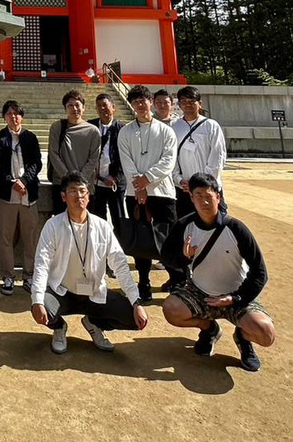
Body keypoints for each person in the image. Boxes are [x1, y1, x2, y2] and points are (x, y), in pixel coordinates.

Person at [161, 172, 275, 372]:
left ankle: (243, 338)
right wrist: (184, 257)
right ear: (192, 199)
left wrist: (236, 298)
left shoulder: (236, 228)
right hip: (201, 293)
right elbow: (167, 257)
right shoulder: (184, 226)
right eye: (198, 196)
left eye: (209, 196)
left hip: (236, 294)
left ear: (218, 198)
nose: (204, 202)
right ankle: (209, 329)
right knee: (171, 310)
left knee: (266, 334)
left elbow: (260, 273)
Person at [30, 172, 149, 354]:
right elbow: (41, 264)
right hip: (63, 292)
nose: (79, 196)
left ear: (89, 195)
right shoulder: (53, 226)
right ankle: (59, 327)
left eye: (83, 191)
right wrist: (37, 299)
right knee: (41, 306)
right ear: (63, 196)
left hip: (94, 293)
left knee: (135, 318)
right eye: (73, 191)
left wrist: (136, 302)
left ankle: (94, 323)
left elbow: (120, 265)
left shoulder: (102, 227)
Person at [117, 84, 178, 301]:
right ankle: (144, 282)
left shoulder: (166, 131)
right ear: (132, 105)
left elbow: (168, 161)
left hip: (163, 192)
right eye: (135, 102)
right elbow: (126, 162)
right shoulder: (125, 132)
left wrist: (147, 180)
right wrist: (139, 187)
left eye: (143, 101)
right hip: (136, 194)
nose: (140, 105)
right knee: (141, 239)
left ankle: (178, 280)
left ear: (150, 102)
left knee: (169, 239)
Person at [167, 86, 227, 290]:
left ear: (200, 104)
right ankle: (183, 278)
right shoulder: (174, 127)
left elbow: (217, 157)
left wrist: (203, 184)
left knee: (215, 230)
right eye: (183, 102)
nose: (187, 105)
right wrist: (178, 179)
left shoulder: (211, 126)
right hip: (184, 190)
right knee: (186, 233)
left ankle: (217, 274)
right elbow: (171, 157)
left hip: (209, 191)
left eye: (192, 101)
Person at [0, 99, 42, 295]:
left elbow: (36, 163)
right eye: (9, 114)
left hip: (28, 195)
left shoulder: (30, 137)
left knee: (30, 238)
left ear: (22, 116)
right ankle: (8, 276)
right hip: (7, 195)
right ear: (4, 117)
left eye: (17, 113)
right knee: (5, 237)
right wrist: (12, 181)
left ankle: (29, 276)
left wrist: (25, 181)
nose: (14, 117)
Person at [47, 89, 102, 215]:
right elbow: (54, 154)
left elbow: (93, 159)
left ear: (84, 108)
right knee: (61, 224)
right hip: (61, 185)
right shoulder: (57, 128)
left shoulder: (93, 131)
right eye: (70, 105)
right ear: (65, 109)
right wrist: (68, 179)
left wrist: (79, 181)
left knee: (84, 224)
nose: (74, 109)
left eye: (77, 105)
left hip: (84, 186)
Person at [88, 92, 125, 228]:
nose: (103, 109)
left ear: (113, 107)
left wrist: (115, 176)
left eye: (105, 105)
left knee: (119, 217)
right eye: (99, 106)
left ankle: (121, 244)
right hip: (96, 182)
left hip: (115, 183)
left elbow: (124, 156)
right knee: (97, 218)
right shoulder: (90, 127)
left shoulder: (122, 129)